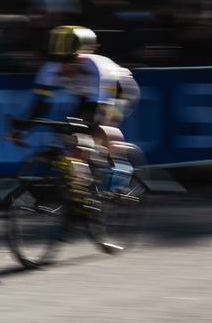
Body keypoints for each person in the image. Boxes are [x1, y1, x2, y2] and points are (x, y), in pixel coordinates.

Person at [8, 25, 141, 203]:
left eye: (70, 60)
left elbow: (101, 111)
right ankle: (79, 191)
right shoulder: (49, 70)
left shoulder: (97, 68)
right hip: (86, 95)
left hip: (120, 92)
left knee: (101, 127)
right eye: (57, 60)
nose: (63, 67)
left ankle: (121, 167)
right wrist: (23, 129)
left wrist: (86, 135)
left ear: (84, 55)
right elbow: (40, 105)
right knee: (70, 138)